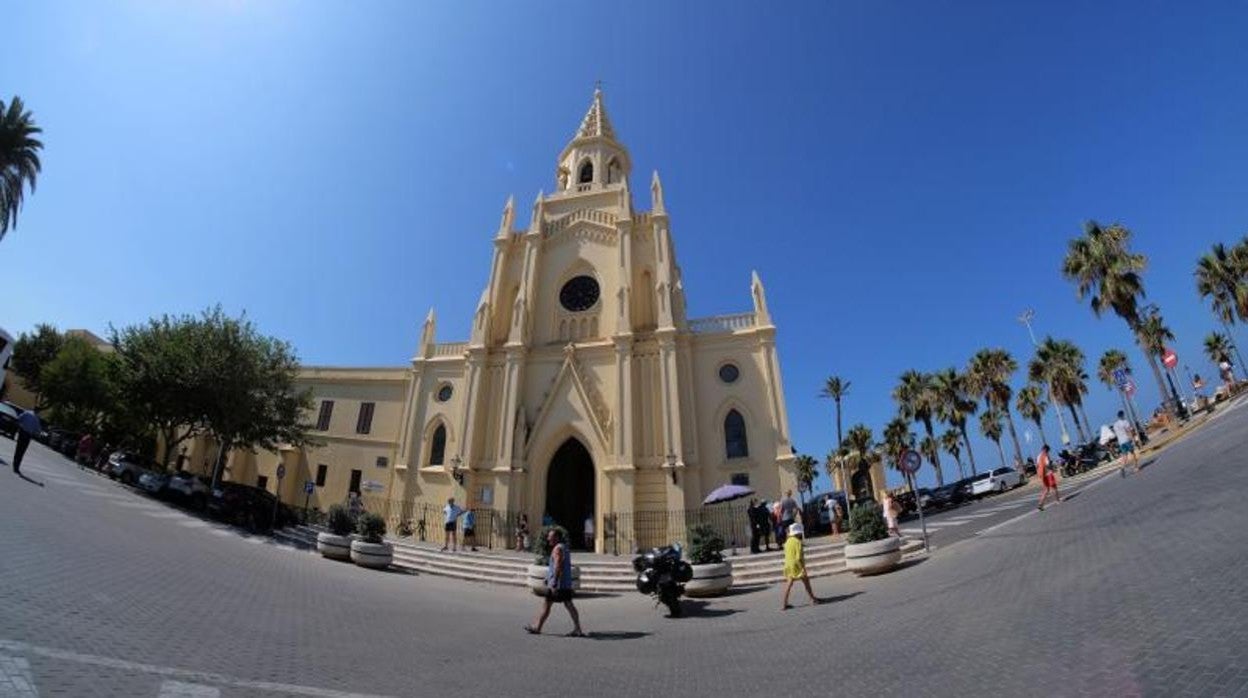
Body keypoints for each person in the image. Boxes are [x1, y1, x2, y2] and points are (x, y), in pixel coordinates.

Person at [525, 528, 585, 637]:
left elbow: (558, 566)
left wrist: (554, 582)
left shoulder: (557, 549)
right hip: (565, 583)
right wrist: (549, 577)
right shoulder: (564, 547)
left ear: (556, 538)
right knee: (568, 605)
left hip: (558, 584)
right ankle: (578, 629)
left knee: (547, 605)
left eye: (550, 536)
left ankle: (537, 628)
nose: (548, 539)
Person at [780, 523, 821, 610]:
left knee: (788, 584)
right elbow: (799, 557)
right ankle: (812, 599)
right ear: (798, 533)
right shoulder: (798, 542)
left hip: (788, 565)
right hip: (797, 565)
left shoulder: (787, 542)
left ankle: (784, 603)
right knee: (806, 582)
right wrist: (803, 568)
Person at [12, 409, 42, 475]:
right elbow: (38, 430)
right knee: (22, 451)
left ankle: (14, 464)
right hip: (28, 435)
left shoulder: (26, 413)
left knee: (18, 448)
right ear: (38, 411)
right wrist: (38, 433)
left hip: (22, 432)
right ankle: (16, 467)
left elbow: (19, 418)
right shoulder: (36, 418)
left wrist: (21, 425)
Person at [1112, 410, 1141, 476]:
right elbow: (1129, 431)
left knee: (1125, 456)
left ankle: (1122, 467)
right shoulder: (1125, 422)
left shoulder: (1115, 424)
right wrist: (1133, 440)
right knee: (1133, 454)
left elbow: (1116, 433)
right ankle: (1136, 468)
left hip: (1121, 442)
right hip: (1126, 440)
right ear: (1122, 415)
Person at [1036, 444, 1061, 511]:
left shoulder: (1038, 456)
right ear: (1046, 449)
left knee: (1046, 489)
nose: (1048, 452)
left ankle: (1040, 504)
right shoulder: (1045, 455)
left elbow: (1037, 465)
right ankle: (1057, 501)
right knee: (1054, 487)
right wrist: (1053, 469)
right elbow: (1047, 464)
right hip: (1048, 474)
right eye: (1048, 450)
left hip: (1042, 475)